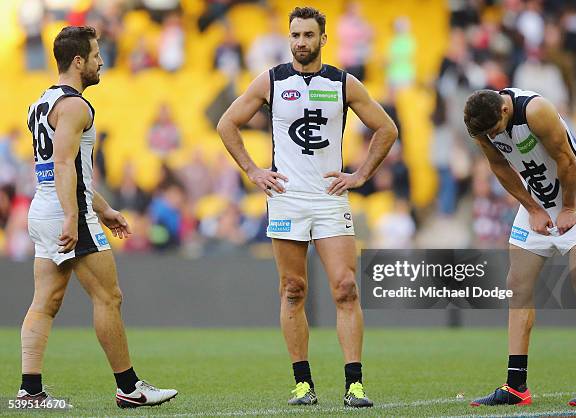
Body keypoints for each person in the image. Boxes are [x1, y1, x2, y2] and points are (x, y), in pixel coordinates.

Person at [217, 6, 398, 408]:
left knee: (346, 288)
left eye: (308, 35)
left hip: (330, 197)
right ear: (289, 38)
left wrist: (361, 175)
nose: (301, 42)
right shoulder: (271, 80)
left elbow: (387, 128)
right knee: (293, 289)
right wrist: (252, 170)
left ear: (323, 39)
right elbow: (226, 124)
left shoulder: (343, 82)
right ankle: (303, 383)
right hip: (287, 198)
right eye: (295, 35)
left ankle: (354, 384)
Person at [20, 26, 177, 408]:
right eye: (95, 55)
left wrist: (103, 208)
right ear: (78, 61)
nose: (101, 61)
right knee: (109, 297)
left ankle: (30, 391)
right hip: (64, 210)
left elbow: (60, 167)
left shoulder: (40, 103)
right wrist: (75, 216)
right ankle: (129, 388)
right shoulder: (76, 106)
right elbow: (63, 165)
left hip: (42, 208)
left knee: (46, 301)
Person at [464, 88, 576, 407]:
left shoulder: (536, 110)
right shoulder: (481, 124)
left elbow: (566, 159)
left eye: (494, 130)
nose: (490, 136)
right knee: (517, 286)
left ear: (503, 110)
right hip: (537, 204)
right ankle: (516, 386)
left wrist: (567, 208)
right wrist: (532, 208)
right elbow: (499, 166)